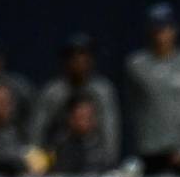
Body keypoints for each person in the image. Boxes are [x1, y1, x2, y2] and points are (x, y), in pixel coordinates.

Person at [125, 3, 180, 177]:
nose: (161, 35)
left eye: (165, 28)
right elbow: (133, 108)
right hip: (150, 151)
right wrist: (141, 145)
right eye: (156, 29)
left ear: (174, 30)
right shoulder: (136, 64)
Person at [32, 33, 122, 167]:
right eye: (73, 57)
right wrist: (36, 162)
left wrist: (110, 162)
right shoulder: (53, 92)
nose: (78, 61)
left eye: (83, 56)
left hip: (94, 155)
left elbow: (110, 129)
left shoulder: (103, 90)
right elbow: (38, 129)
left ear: (91, 59)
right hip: (59, 155)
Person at [46, 91, 118, 175]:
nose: (85, 122)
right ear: (71, 118)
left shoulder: (102, 147)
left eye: (89, 117)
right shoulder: (59, 145)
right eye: (81, 117)